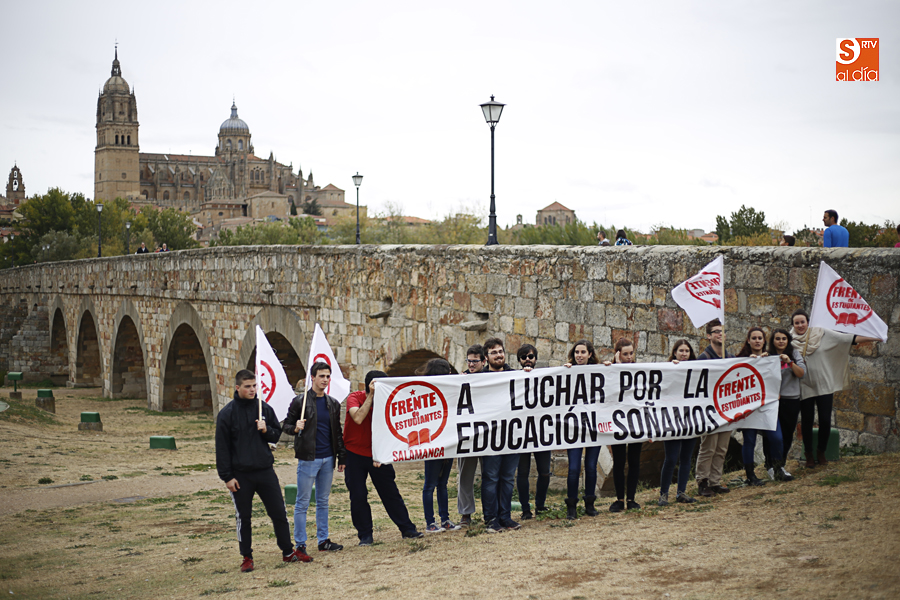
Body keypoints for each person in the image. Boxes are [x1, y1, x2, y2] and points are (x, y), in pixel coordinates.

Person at [215, 369, 311, 572]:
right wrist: (227, 477)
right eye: (247, 386)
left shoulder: (264, 409)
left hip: (265, 470)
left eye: (254, 386)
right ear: (238, 387)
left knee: (278, 512)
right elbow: (222, 448)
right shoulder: (227, 414)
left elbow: (277, 435)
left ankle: (287, 551)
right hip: (240, 475)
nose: (252, 390)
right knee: (244, 517)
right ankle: (247, 557)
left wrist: (266, 430)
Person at [790, 310, 880, 467]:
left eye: (802, 322)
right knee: (806, 421)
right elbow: (775, 352)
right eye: (796, 323)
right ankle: (809, 454)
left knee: (825, 420)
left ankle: (821, 451)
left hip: (824, 384)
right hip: (804, 386)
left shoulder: (822, 333)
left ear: (808, 322)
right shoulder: (790, 341)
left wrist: (877, 336)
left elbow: (848, 339)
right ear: (793, 325)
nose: (800, 325)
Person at [343, 370, 423, 545]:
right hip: (354, 454)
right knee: (358, 495)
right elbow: (357, 418)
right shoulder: (354, 398)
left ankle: (407, 529)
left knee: (390, 493)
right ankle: (365, 535)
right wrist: (372, 396)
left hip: (378, 455)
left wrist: (383, 453)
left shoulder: (388, 403)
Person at [283, 362, 346, 554]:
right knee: (302, 502)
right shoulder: (300, 402)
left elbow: (337, 432)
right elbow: (285, 426)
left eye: (328, 376)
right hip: (309, 458)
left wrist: (341, 456)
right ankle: (300, 543)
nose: (325, 380)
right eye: (321, 376)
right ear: (312, 377)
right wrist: (295, 427)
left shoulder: (333, 403)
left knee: (323, 501)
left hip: (328, 458)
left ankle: (323, 540)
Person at [481, 337, 519, 532]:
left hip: (512, 435)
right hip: (489, 437)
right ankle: (491, 519)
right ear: (486, 357)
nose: (499, 355)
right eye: (494, 352)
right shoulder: (478, 378)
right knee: (491, 478)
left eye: (501, 351)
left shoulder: (516, 376)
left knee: (507, 478)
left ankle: (505, 517)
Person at [419, 358, 462, 533]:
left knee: (442, 483)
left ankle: (444, 519)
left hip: (446, 441)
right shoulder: (427, 393)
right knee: (431, 484)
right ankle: (431, 522)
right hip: (434, 442)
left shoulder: (448, 391)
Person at [562, 340, 602, 519]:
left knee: (591, 466)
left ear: (590, 354)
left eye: (583, 352)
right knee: (574, 468)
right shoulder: (567, 371)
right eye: (577, 352)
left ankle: (590, 503)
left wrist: (610, 366)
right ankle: (571, 504)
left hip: (593, 425)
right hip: (574, 427)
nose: (579, 355)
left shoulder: (599, 371)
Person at [694, 319, 734, 497]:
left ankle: (715, 481)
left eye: (722, 331)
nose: (720, 334)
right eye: (716, 331)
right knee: (708, 446)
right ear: (709, 336)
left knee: (722, 447)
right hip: (709, 409)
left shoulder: (730, 357)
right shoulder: (704, 358)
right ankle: (702, 481)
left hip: (726, 408)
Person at [735, 327, 778, 487]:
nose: (757, 341)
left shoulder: (770, 358)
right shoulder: (741, 359)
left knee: (774, 437)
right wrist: (747, 362)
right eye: (754, 338)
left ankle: (775, 467)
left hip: (766, 405)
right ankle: (750, 474)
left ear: (764, 341)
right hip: (748, 406)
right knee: (749, 441)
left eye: (760, 338)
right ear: (748, 340)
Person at [658, 340, 698, 506]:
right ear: (674, 352)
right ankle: (663, 494)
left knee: (686, 458)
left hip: (691, 419)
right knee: (671, 458)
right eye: (681, 351)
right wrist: (671, 369)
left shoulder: (697, 370)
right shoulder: (667, 369)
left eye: (687, 351)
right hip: (673, 420)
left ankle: (681, 492)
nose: (684, 354)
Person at [606, 338, 643, 512]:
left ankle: (631, 498)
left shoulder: (639, 371)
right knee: (619, 462)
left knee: (634, 461)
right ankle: (620, 499)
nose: (629, 357)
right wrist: (617, 366)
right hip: (618, 421)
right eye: (625, 354)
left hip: (636, 421)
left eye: (631, 353)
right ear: (618, 354)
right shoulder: (610, 370)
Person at [514, 344, 549, 520]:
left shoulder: (545, 377)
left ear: (535, 359)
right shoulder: (511, 377)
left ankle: (540, 506)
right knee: (523, 472)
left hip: (542, 431)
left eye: (530, 356)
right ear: (519, 360)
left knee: (544, 471)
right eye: (523, 357)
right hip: (521, 431)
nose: (527, 359)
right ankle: (526, 509)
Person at [768, 328, 805, 479]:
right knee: (773, 435)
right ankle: (770, 465)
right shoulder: (769, 355)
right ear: (773, 341)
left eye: (784, 338)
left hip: (791, 399)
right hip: (773, 400)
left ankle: (780, 465)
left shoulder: (794, 354)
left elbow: (802, 373)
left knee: (787, 433)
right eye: (778, 338)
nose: (781, 341)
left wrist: (789, 362)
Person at [456, 344, 485, 527]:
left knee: (491, 474)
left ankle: (492, 510)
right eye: (469, 361)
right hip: (467, 433)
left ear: (483, 361)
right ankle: (466, 513)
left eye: (475, 361)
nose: (471, 364)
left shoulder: (493, 377)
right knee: (465, 474)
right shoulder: (461, 379)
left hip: (488, 432)